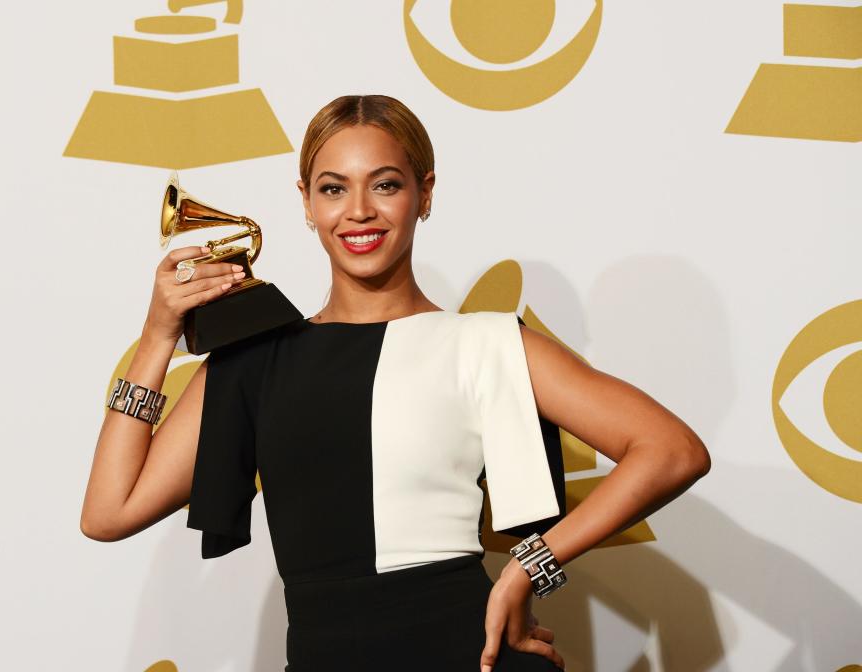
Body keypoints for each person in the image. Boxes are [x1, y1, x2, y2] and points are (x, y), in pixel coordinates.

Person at [80, 94, 711, 672]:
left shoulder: (484, 343)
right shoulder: (253, 362)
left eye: (385, 185)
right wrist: (159, 336)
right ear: (305, 202)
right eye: (333, 188)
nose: (359, 211)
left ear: (425, 193)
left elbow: (671, 451)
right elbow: (109, 513)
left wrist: (528, 565)